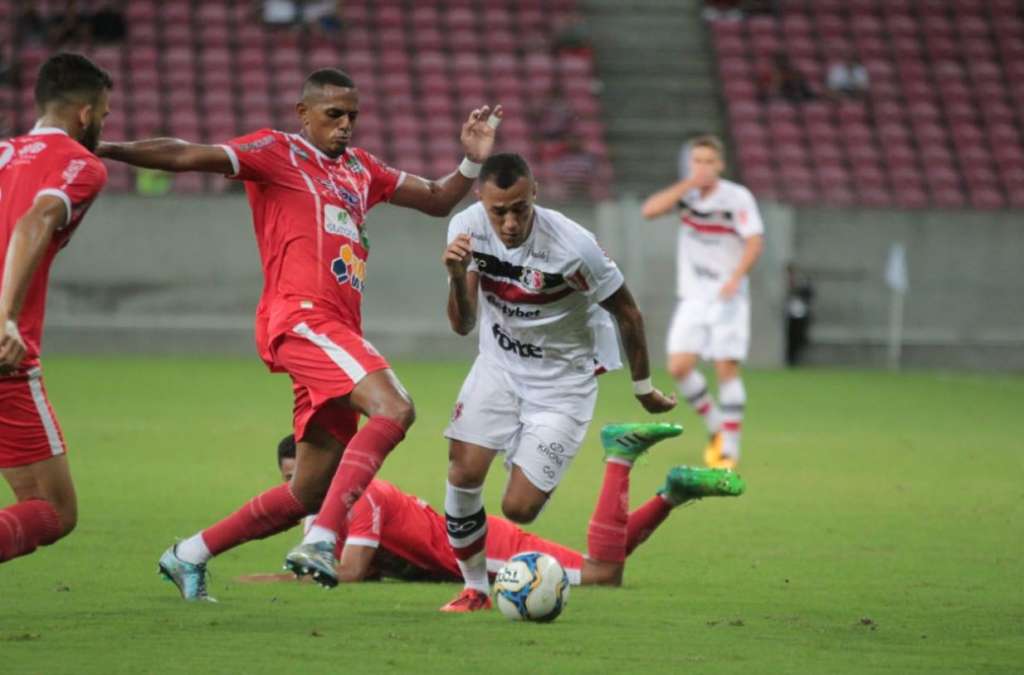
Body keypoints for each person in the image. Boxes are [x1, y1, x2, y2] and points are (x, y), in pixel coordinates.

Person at [98, 68, 502, 600]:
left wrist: (472, 159)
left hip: (336, 329)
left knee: (307, 490)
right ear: (303, 114)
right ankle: (323, 541)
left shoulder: (362, 169)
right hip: (302, 317)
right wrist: (102, 147)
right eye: (334, 114)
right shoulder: (276, 151)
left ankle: (189, 553)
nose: (345, 125)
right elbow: (184, 153)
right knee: (396, 408)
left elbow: (434, 197)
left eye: (352, 115)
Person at [440, 153, 677, 611]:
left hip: (562, 382)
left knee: (518, 508)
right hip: (499, 367)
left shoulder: (574, 246)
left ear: (535, 195)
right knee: (464, 471)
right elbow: (463, 324)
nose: (509, 223)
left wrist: (643, 387)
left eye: (519, 209)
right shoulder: (466, 230)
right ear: (480, 200)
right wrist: (455, 277)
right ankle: (475, 589)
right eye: (498, 211)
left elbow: (627, 312)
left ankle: (535, 453)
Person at [242, 427, 745, 586]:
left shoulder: (366, 496)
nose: (299, 486)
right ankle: (672, 494)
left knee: (603, 575)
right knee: (603, 566)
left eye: (304, 474)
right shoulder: (316, 513)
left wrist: (274, 580)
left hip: (483, 550)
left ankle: (619, 456)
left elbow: (350, 572)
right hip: (465, 550)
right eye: (290, 479)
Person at [0, 53, 112, 563]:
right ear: (86, 113)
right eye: (105, 116)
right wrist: (4, 318)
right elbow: (33, 222)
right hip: (4, 355)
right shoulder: (81, 165)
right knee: (52, 508)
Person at [640, 135, 764, 471]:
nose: (703, 167)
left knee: (726, 368)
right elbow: (649, 210)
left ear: (720, 164)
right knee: (678, 366)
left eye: (709, 161)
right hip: (694, 296)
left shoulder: (737, 197)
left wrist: (737, 276)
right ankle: (716, 427)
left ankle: (730, 449)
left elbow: (754, 240)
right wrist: (686, 185)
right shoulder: (688, 196)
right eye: (697, 161)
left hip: (727, 295)